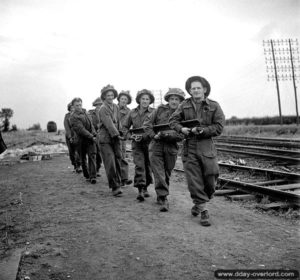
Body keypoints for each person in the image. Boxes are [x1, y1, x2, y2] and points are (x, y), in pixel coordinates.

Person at [169, 76, 225, 226]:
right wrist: (183, 129)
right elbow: (172, 121)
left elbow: (219, 126)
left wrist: (204, 131)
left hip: (207, 145)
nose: (195, 90)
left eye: (198, 88)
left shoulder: (214, 106)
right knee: (194, 180)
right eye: (193, 88)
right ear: (190, 91)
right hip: (190, 146)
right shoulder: (183, 105)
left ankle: (199, 203)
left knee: (211, 177)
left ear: (204, 89)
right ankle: (203, 209)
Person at [144, 88, 185, 211]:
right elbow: (147, 124)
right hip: (156, 145)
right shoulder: (160, 110)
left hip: (171, 147)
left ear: (180, 101)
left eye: (176, 99)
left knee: (166, 173)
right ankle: (163, 198)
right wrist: (153, 135)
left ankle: (161, 194)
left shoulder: (183, 114)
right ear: (168, 99)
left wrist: (167, 135)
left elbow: (183, 134)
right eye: (171, 98)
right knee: (158, 172)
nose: (174, 101)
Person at [123, 89, 154, 202]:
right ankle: (140, 190)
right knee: (139, 165)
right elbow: (125, 127)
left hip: (150, 143)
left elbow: (155, 127)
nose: (145, 101)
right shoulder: (132, 112)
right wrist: (131, 136)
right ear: (139, 100)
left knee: (148, 165)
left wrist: (148, 135)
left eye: (147, 99)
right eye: (143, 99)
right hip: (136, 143)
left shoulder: (153, 112)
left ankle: (146, 187)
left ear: (150, 101)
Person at [98, 85, 123, 196]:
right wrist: (118, 135)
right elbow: (109, 124)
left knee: (118, 159)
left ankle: (119, 182)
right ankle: (114, 187)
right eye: (108, 95)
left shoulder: (116, 107)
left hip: (115, 138)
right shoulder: (103, 109)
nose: (110, 97)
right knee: (110, 163)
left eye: (112, 95)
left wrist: (122, 132)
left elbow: (118, 122)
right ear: (104, 96)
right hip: (106, 139)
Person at [69, 98, 97, 184]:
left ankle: (93, 176)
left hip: (90, 139)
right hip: (80, 140)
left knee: (92, 156)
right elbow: (81, 129)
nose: (79, 107)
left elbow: (91, 124)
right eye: (77, 105)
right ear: (73, 106)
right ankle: (87, 175)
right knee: (83, 158)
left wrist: (94, 133)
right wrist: (91, 136)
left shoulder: (86, 112)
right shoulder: (73, 117)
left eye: (80, 105)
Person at [117, 90, 133, 187]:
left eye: (125, 99)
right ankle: (118, 178)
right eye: (122, 99)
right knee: (115, 158)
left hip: (122, 136)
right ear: (119, 99)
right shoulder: (113, 108)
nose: (123, 101)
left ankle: (124, 178)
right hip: (113, 135)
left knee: (122, 156)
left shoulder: (129, 111)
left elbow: (129, 125)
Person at [63, 102, 81, 173]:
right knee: (71, 152)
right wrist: (70, 137)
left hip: (78, 135)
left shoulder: (78, 115)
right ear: (69, 109)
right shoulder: (67, 116)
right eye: (71, 108)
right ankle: (74, 165)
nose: (72, 109)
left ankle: (79, 166)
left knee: (78, 151)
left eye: (74, 108)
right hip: (69, 136)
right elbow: (67, 127)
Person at [88, 97, 103, 177]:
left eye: (101, 105)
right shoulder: (90, 113)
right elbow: (89, 125)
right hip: (93, 136)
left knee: (99, 155)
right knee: (93, 154)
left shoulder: (104, 112)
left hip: (101, 136)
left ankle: (97, 169)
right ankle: (92, 172)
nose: (99, 106)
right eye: (98, 105)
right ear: (95, 105)